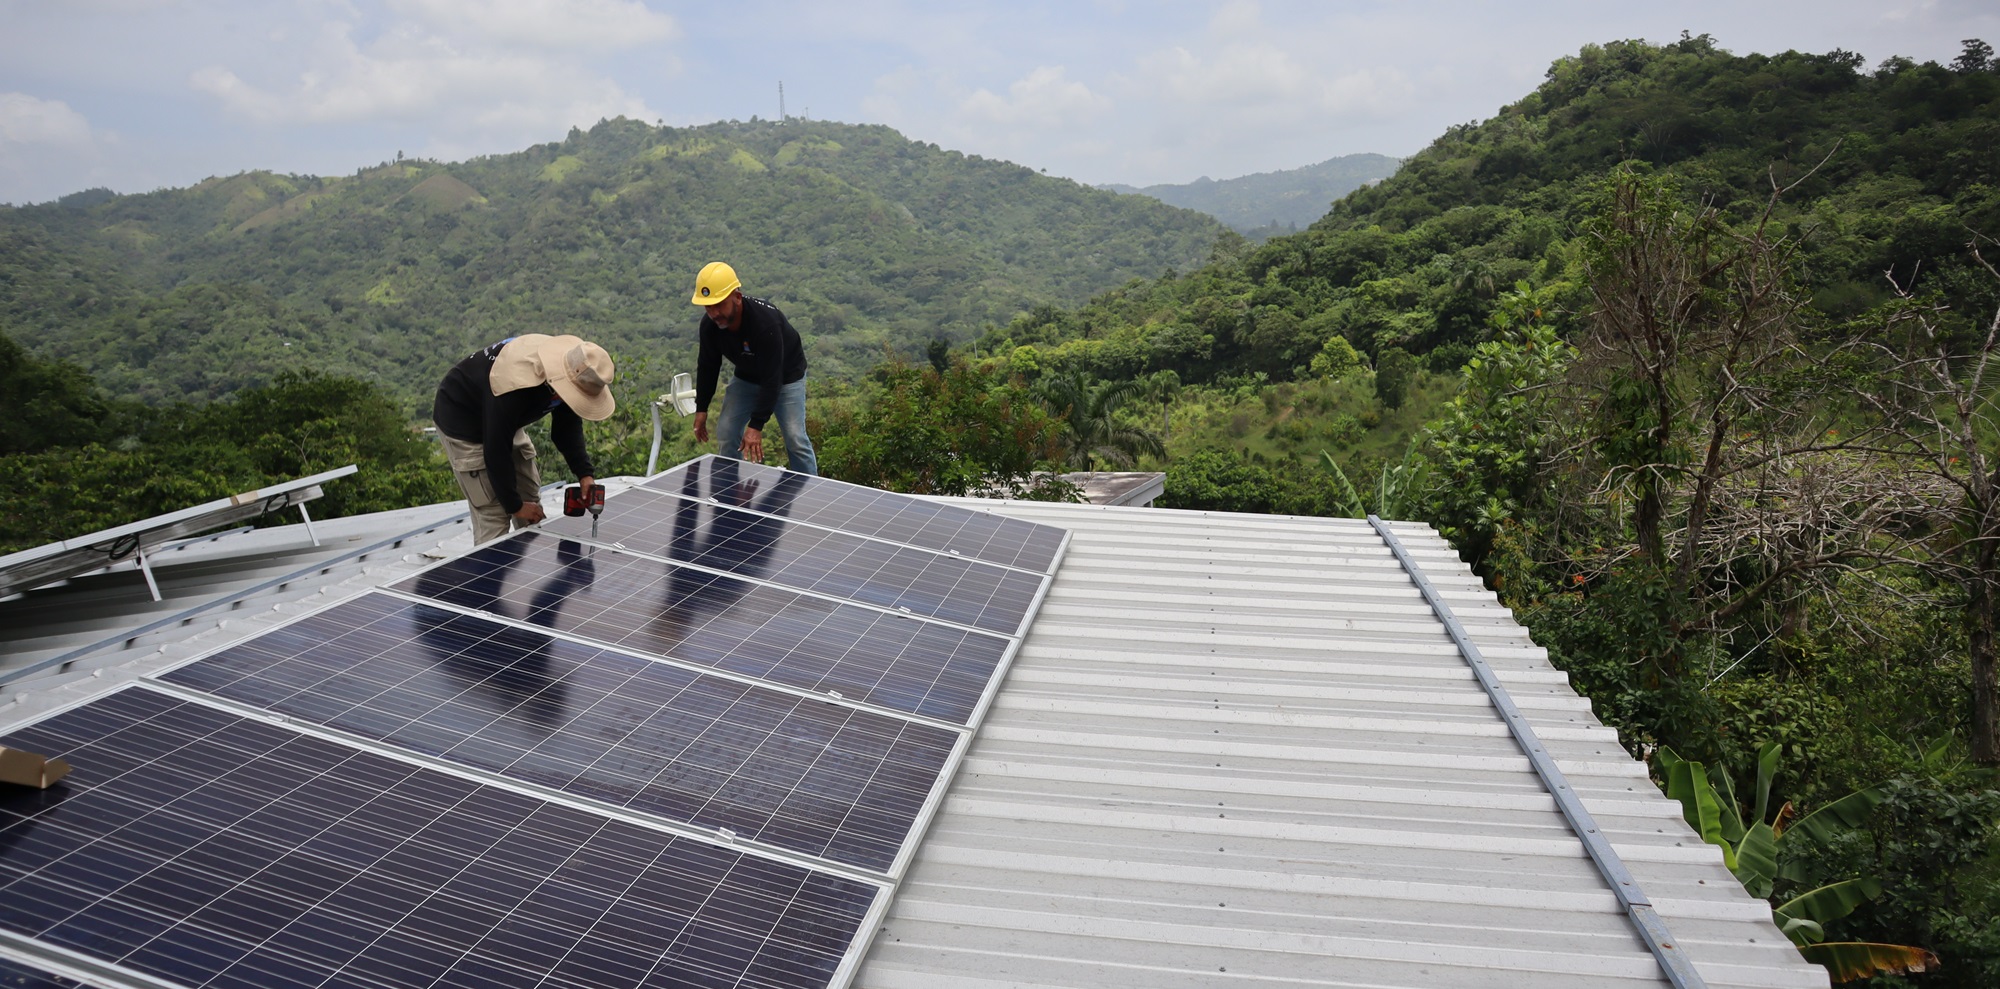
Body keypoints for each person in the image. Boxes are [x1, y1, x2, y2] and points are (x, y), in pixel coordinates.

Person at [433, 333, 615, 544]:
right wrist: (515, 507)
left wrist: (585, 474)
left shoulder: (573, 367)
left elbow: (566, 428)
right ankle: (491, 572)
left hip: (502, 418)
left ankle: (527, 568)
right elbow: (496, 451)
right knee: (494, 515)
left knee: (530, 500)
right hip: (463, 421)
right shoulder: (514, 386)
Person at [689, 261, 817, 474]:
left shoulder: (765, 325)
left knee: (796, 439)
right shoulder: (710, 326)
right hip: (747, 377)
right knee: (727, 432)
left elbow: (772, 379)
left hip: (786, 378)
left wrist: (756, 426)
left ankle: (812, 490)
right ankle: (730, 491)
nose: (714, 312)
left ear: (736, 297)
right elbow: (708, 366)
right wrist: (701, 408)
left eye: (719, 304)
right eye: (708, 306)